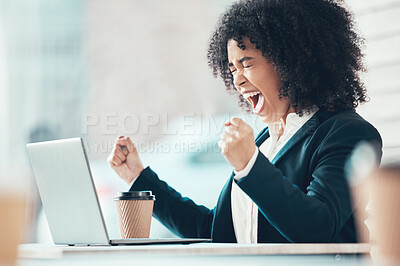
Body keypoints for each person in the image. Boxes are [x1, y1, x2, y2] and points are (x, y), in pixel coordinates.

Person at [107, 0, 382, 243]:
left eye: (247, 63)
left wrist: (249, 165)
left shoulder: (347, 134)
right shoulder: (265, 141)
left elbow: (318, 227)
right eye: (232, 68)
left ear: (292, 60)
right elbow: (215, 229)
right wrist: (138, 177)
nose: (237, 80)